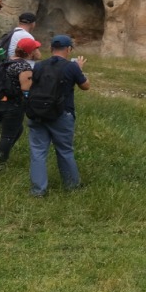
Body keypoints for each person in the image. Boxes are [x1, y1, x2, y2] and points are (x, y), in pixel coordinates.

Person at [27, 34, 89, 196]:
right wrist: (80, 69)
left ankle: (38, 190)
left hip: (37, 112)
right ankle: (72, 186)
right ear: (68, 49)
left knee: (38, 152)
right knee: (64, 150)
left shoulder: (39, 66)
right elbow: (85, 86)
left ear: (51, 49)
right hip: (61, 113)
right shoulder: (72, 67)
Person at [0, 37, 40, 169]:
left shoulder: (6, 60)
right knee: (8, 135)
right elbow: (26, 88)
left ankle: (3, 154)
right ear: (30, 52)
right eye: (35, 48)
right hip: (13, 105)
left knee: (17, 129)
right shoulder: (24, 66)